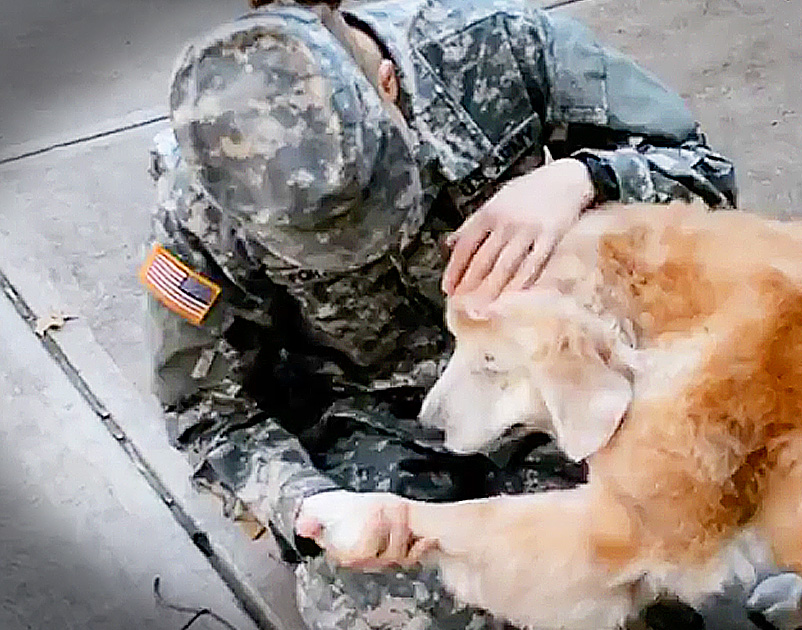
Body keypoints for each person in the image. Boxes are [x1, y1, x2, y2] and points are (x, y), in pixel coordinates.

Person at [141, 0, 738, 627]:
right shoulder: (198, 208)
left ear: (387, 87)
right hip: (374, 435)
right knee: (394, 613)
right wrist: (311, 504)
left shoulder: (494, 46)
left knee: (628, 587)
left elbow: (708, 178)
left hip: (560, 394)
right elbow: (205, 411)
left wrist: (584, 179)